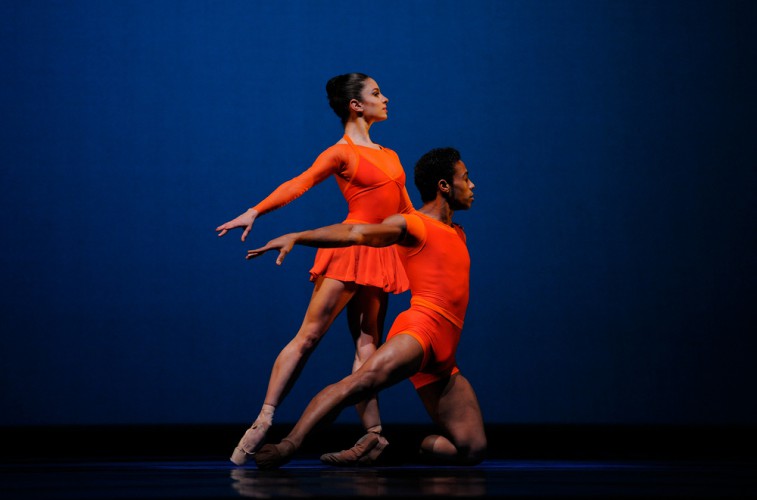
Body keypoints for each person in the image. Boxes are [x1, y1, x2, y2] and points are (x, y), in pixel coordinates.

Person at [216, 73, 414, 466]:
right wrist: (255, 211)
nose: (385, 98)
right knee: (309, 336)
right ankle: (264, 419)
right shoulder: (341, 153)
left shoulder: (390, 154)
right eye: (376, 93)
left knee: (367, 345)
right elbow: (300, 182)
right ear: (355, 105)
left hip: (378, 251)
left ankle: (373, 435)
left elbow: (406, 213)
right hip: (348, 250)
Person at [245, 147, 486, 469]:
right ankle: (289, 444)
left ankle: (390, 449)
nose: (472, 186)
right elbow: (355, 232)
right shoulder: (412, 225)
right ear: (444, 185)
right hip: (421, 330)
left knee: (472, 449)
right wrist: (300, 236)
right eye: (465, 178)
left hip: (446, 350)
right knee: (360, 383)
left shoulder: (458, 233)